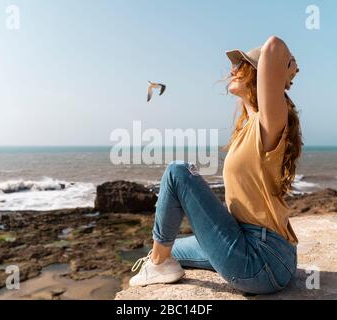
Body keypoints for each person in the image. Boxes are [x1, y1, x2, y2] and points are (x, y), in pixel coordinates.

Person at [129, 36, 303, 294]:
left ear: (258, 75)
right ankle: (160, 261)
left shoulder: (269, 124)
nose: (232, 71)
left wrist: (288, 68)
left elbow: (274, 45)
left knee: (178, 172)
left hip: (261, 259)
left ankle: (158, 265)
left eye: (241, 66)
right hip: (249, 243)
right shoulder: (248, 127)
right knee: (167, 247)